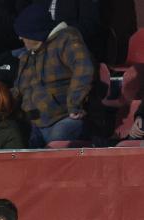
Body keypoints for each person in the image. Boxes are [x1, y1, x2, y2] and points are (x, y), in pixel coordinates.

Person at [13, 4, 94, 148]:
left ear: (35, 33)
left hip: (62, 118)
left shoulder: (66, 40)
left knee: (57, 143)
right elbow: (18, 89)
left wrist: (74, 104)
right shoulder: (27, 56)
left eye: (24, 34)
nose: (20, 38)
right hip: (33, 122)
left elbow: (84, 69)